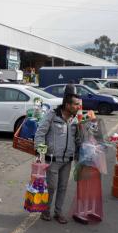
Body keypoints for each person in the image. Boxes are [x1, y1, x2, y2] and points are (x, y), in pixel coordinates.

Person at [34, 91, 82, 224]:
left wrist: (82, 154)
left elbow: (77, 139)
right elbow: (40, 133)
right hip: (52, 159)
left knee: (63, 187)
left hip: (67, 160)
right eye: (76, 104)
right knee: (51, 186)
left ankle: (58, 212)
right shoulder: (52, 115)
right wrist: (40, 152)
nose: (78, 107)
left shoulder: (75, 119)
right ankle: (46, 210)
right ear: (67, 105)